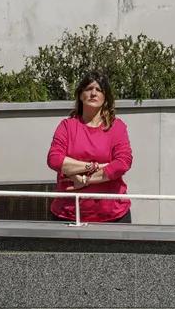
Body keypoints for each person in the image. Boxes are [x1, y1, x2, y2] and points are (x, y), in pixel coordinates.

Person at [46, 71, 134, 223]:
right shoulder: (67, 126)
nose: (93, 93)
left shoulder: (117, 127)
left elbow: (123, 163)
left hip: (113, 216)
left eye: (99, 90)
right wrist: (94, 166)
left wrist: (85, 180)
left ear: (105, 98)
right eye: (88, 89)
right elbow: (54, 160)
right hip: (68, 215)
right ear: (80, 95)